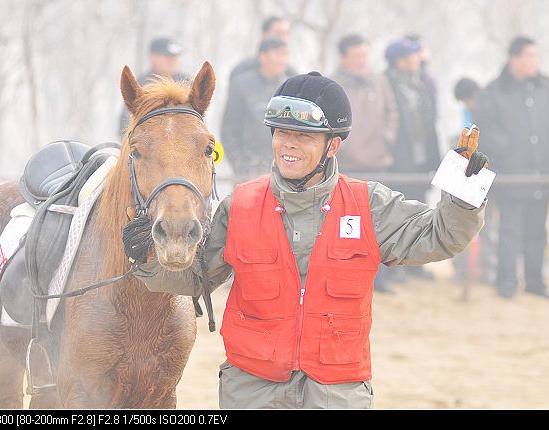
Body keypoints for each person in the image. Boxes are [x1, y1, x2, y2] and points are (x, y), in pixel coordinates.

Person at [135, 71, 488, 408]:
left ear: (332, 145)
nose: (288, 144)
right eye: (281, 133)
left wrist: (463, 195)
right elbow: (195, 278)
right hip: (253, 391)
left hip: (337, 392)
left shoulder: (369, 206)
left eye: (303, 136)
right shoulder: (239, 206)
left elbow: (440, 236)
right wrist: (148, 257)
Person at [473, 36, 549, 299]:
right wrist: (509, 151)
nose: (534, 62)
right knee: (510, 229)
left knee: (538, 230)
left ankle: (535, 281)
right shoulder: (494, 90)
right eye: (529, 56)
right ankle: (506, 282)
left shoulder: (546, 86)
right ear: (514, 58)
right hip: (511, 173)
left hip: (543, 170)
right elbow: (487, 128)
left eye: (537, 56)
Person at [331, 34, 399, 292]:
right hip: (346, 164)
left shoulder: (379, 81)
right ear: (344, 57)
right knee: (346, 224)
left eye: (365, 55)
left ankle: (379, 278)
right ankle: (346, 276)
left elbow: (393, 112)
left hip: (378, 162)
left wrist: (387, 138)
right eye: (357, 56)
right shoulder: (334, 84)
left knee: (378, 221)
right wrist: (343, 147)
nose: (362, 61)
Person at [385, 38, 441, 281]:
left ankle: (415, 263)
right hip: (400, 160)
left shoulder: (419, 85)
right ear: (397, 61)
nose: (414, 62)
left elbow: (430, 123)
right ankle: (396, 266)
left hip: (421, 158)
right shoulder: (387, 84)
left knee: (420, 211)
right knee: (398, 213)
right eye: (408, 58)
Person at [221, 37, 291, 179]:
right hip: (249, 166)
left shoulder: (290, 87)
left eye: (285, 54)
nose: (282, 59)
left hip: (283, 167)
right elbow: (228, 129)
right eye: (278, 54)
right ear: (262, 56)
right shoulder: (241, 85)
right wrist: (239, 165)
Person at [451, 78, 498, 285]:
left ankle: (481, 270)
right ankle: (468, 271)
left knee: (482, 225)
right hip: (472, 172)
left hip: (482, 173)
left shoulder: (485, 109)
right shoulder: (470, 112)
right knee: (473, 225)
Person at [118, 37, 191, 136]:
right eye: (167, 56)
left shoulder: (187, 84)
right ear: (153, 58)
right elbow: (126, 123)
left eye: (175, 56)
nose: (173, 60)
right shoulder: (140, 85)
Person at [229, 16, 297, 82]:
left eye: (286, 34)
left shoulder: (291, 75)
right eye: (278, 33)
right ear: (263, 34)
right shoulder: (242, 71)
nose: (283, 39)